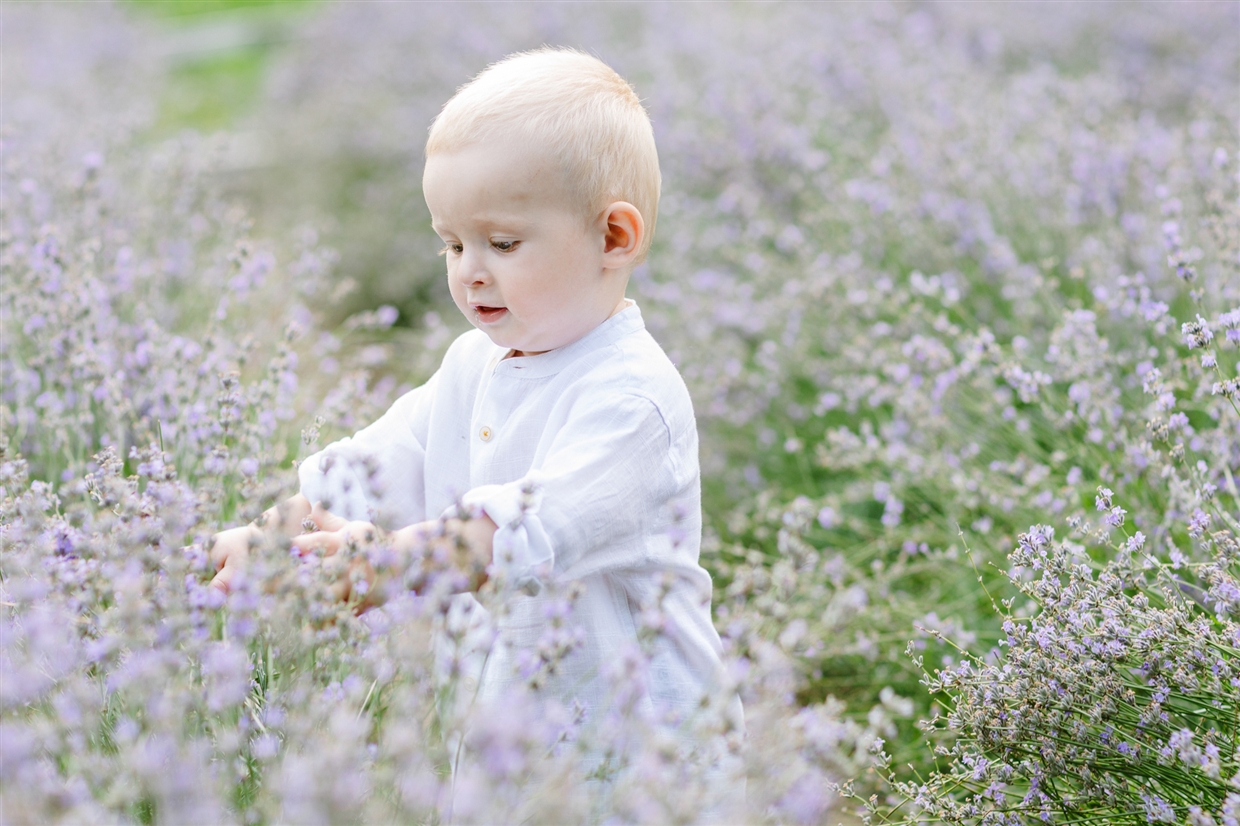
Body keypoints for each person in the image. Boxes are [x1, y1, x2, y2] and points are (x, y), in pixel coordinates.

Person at [208, 47, 732, 745]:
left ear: (614, 237)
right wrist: (283, 536)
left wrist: (386, 565)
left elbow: (523, 531)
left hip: (643, 752)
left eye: (502, 243)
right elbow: (374, 466)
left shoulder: (634, 401)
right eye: (451, 246)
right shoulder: (471, 365)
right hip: (508, 742)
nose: (470, 273)